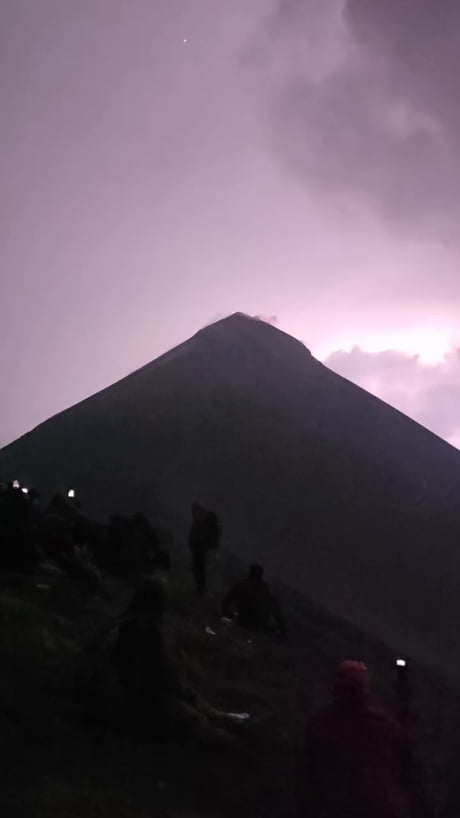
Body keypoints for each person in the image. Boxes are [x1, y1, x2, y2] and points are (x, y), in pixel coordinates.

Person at [111, 578, 239, 747]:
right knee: (193, 719)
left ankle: (218, 718)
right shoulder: (142, 631)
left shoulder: (130, 624)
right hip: (134, 701)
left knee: (190, 702)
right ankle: (230, 740)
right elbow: (153, 675)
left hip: (137, 692)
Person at [298, 660, 412, 818]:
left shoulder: (319, 723)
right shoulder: (380, 724)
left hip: (338, 806)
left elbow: (308, 773)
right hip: (365, 806)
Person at [222, 564, 287, 638]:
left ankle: (280, 631)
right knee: (274, 602)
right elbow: (271, 605)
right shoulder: (262, 588)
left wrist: (226, 612)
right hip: (256, 625)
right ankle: (282, 631)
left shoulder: (241, 585)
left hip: (243, 621)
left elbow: (226, 601)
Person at [188, 502, 221, 594]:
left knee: (199, 568)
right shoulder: (199, 519)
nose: (193, 512)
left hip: (200, 547)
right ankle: (200, 588)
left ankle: (201, 589)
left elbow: (199, 534)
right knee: (198, 568)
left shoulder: (202, 519)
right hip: (198, 547)